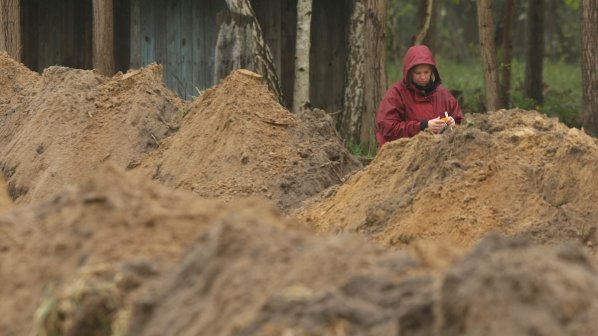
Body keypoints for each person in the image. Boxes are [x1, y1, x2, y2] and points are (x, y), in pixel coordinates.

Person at [375, 45, 463, 148]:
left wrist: (453, 125)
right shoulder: (396, 93)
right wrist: (423, 126)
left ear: (432, 72)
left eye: (427, 72)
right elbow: (388, 128)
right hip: (404, 153)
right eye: (418, 73)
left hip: (439, 153)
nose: (423, 77)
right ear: (409, 73)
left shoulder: (443, 95)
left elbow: (460, 121)